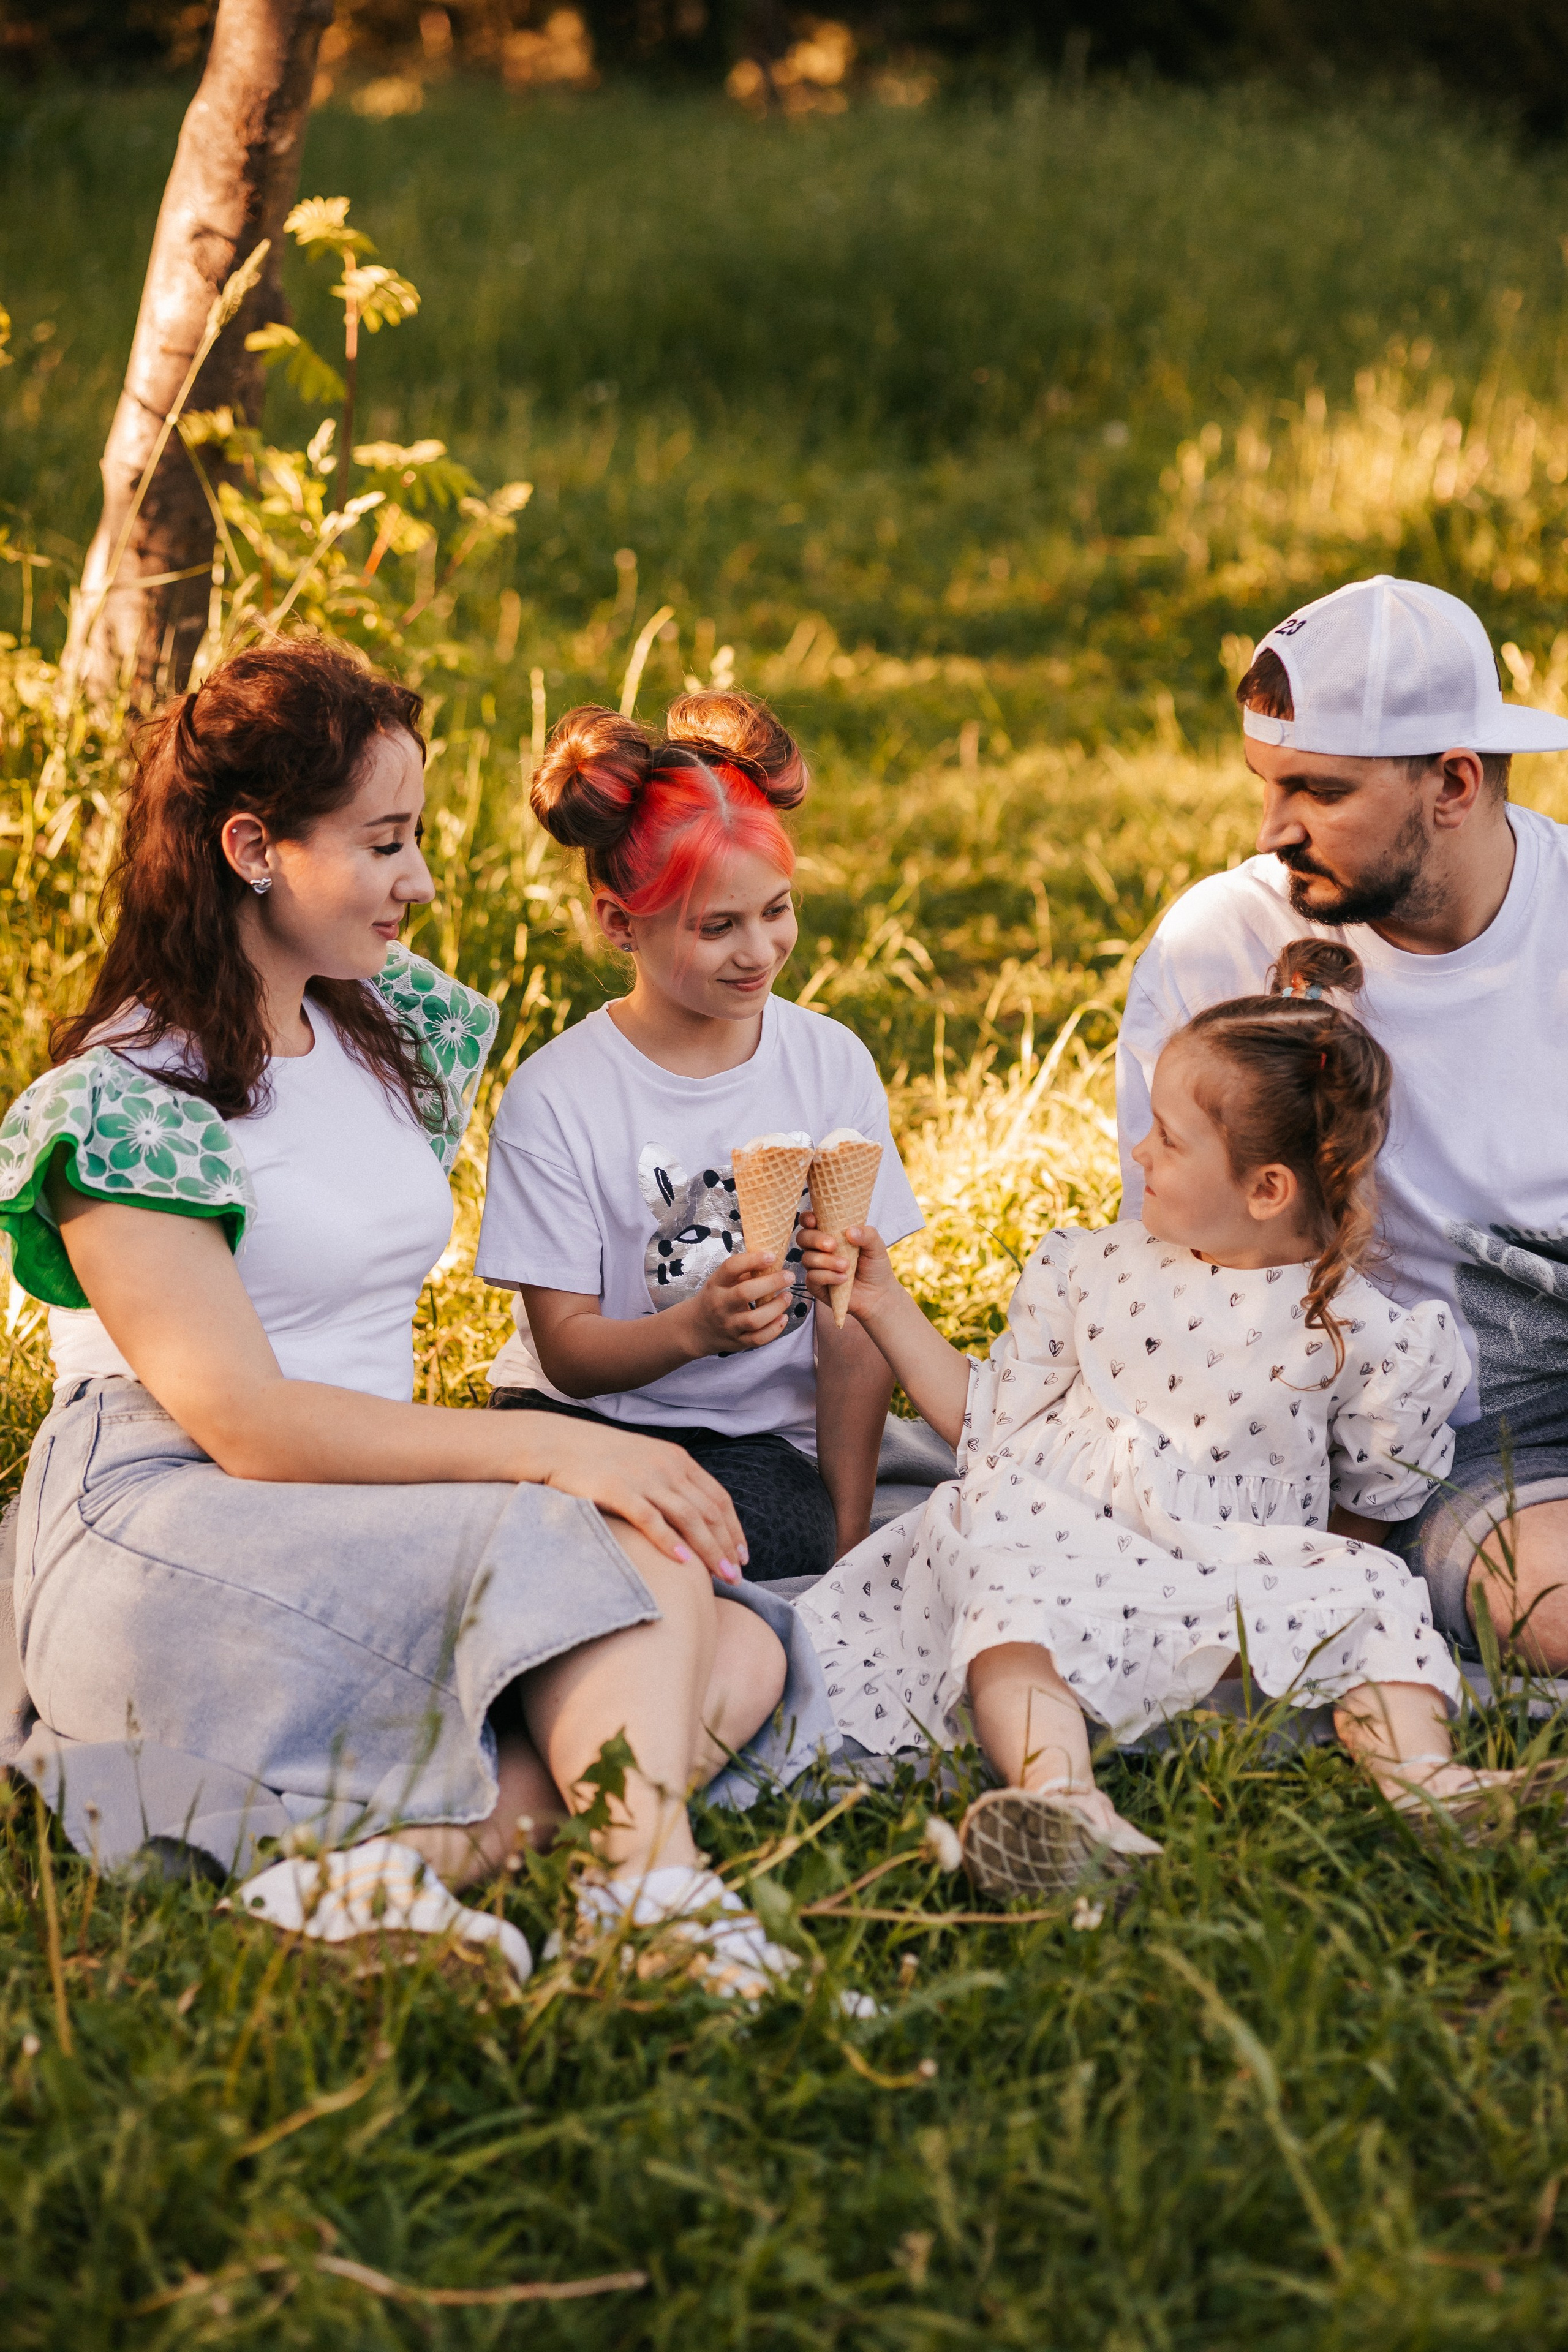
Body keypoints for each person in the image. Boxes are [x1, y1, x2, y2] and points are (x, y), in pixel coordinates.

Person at [0, 638, 829, 1980]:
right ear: (254, 846)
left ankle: (382, 1878)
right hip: (170, 1518)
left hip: (353, 1496)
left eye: (419, 836)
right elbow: (249, 1421)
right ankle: (654, 1902)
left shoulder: (385, 1030)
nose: (422, 881)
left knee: (724, 1641)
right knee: (630, 1572)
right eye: (384, 844)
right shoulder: (128, 1099)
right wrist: (561, 1441)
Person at [793, 938, 1544, 1899]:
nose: (1137, 1152)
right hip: (1067, 1545)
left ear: (1266, 1189)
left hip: (1231, 1574)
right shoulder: (1089, 1268)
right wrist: (885, 1303)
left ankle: (1425, 1776)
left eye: (1168, 1139)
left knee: (1369, 1589)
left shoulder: (1359, 1329)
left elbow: (1375, 1499)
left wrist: (1301, 1574)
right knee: (1005, 1587)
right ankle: (1060, 1800)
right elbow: (986, 1428)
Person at [1117, 575, 1568, 1673]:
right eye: (1267, 784)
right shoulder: (1224, 946)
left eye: (1317, 791)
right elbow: (1174, 1260)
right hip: (1444, 1433)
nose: (1273, 830)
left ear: (1454, 782)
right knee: (1550, 1608)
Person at [475, 690, 923, 1581]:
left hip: (755, 1447)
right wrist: (695, 1329)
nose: (758, 950)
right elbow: (566, 1347)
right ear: (618, 923)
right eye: (717, 927)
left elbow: (853, 1323)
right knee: (565, 1539)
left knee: (720, 1539)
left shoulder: (830, 1066)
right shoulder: (558, 1096)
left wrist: (845, 1533)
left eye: (777, 911)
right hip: (582, 1423)